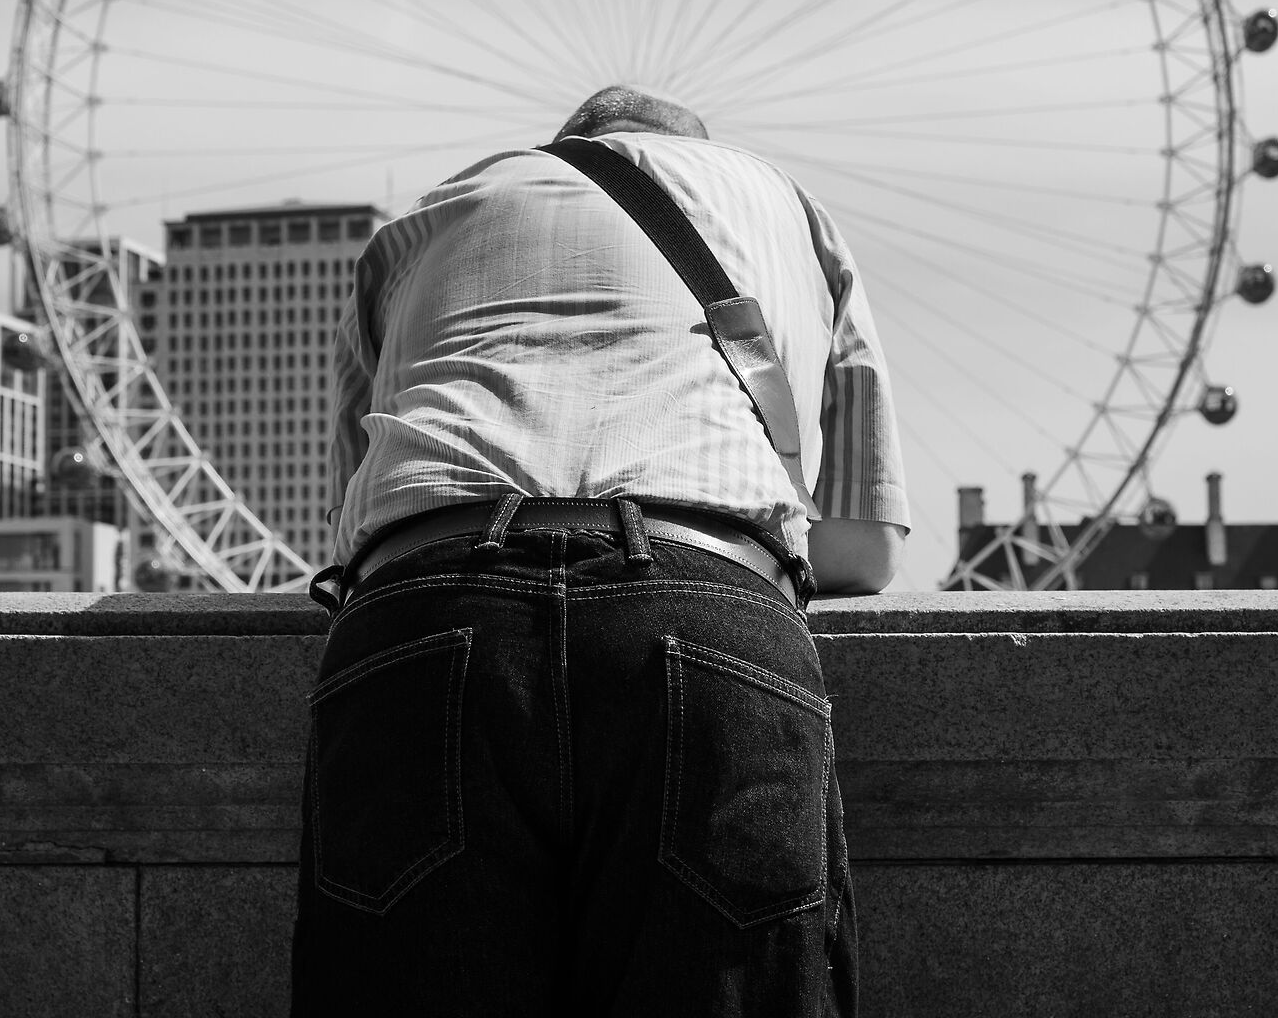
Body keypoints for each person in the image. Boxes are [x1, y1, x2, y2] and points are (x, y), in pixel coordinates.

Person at [290, 85, 910, 1018]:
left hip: (427, 615)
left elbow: (359, 528)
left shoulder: (428, 219)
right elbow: (862, 550)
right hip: (702, 609)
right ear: (702, 150)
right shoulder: (778, 200)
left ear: (563, 145)